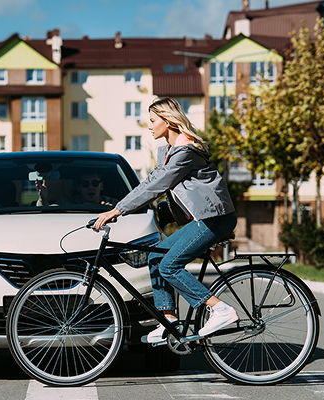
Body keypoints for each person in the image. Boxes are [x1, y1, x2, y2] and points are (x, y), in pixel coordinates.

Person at [94, 97, 239, 343]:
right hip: (203, 218)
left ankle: (219, 309)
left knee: (168, 266)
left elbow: (158, 185)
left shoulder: (186, 152)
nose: (149, 126)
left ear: (168, 121)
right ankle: (169, 322)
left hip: (216, 218)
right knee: (156, 255)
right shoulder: (171, 152)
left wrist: (117, 211)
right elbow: (151, 183)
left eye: (152, 120)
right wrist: (118, 208)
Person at [36, 171, 117, 206]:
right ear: (78, 188)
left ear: (101, 186)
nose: (91, 187)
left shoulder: (113, 204)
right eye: (85, 184)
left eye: (95, 183)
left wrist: (111, 211)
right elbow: (47, 213)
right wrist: (43, 200)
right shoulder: (66, 203)